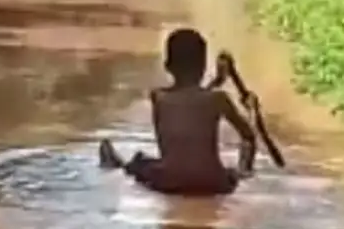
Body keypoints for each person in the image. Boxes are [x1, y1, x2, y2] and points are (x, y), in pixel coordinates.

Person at [99, 28, 258, 196]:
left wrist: (217, 82)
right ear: (204, 66)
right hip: (213, 182)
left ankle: (118, 164)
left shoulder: (158, 97)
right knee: (232, 172)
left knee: (139, 163)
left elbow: (190, 100)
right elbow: (248, 136)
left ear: (167, 66)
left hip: (169, 180)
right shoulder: (219, 99)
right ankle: (243, 173)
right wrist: (250, 109)